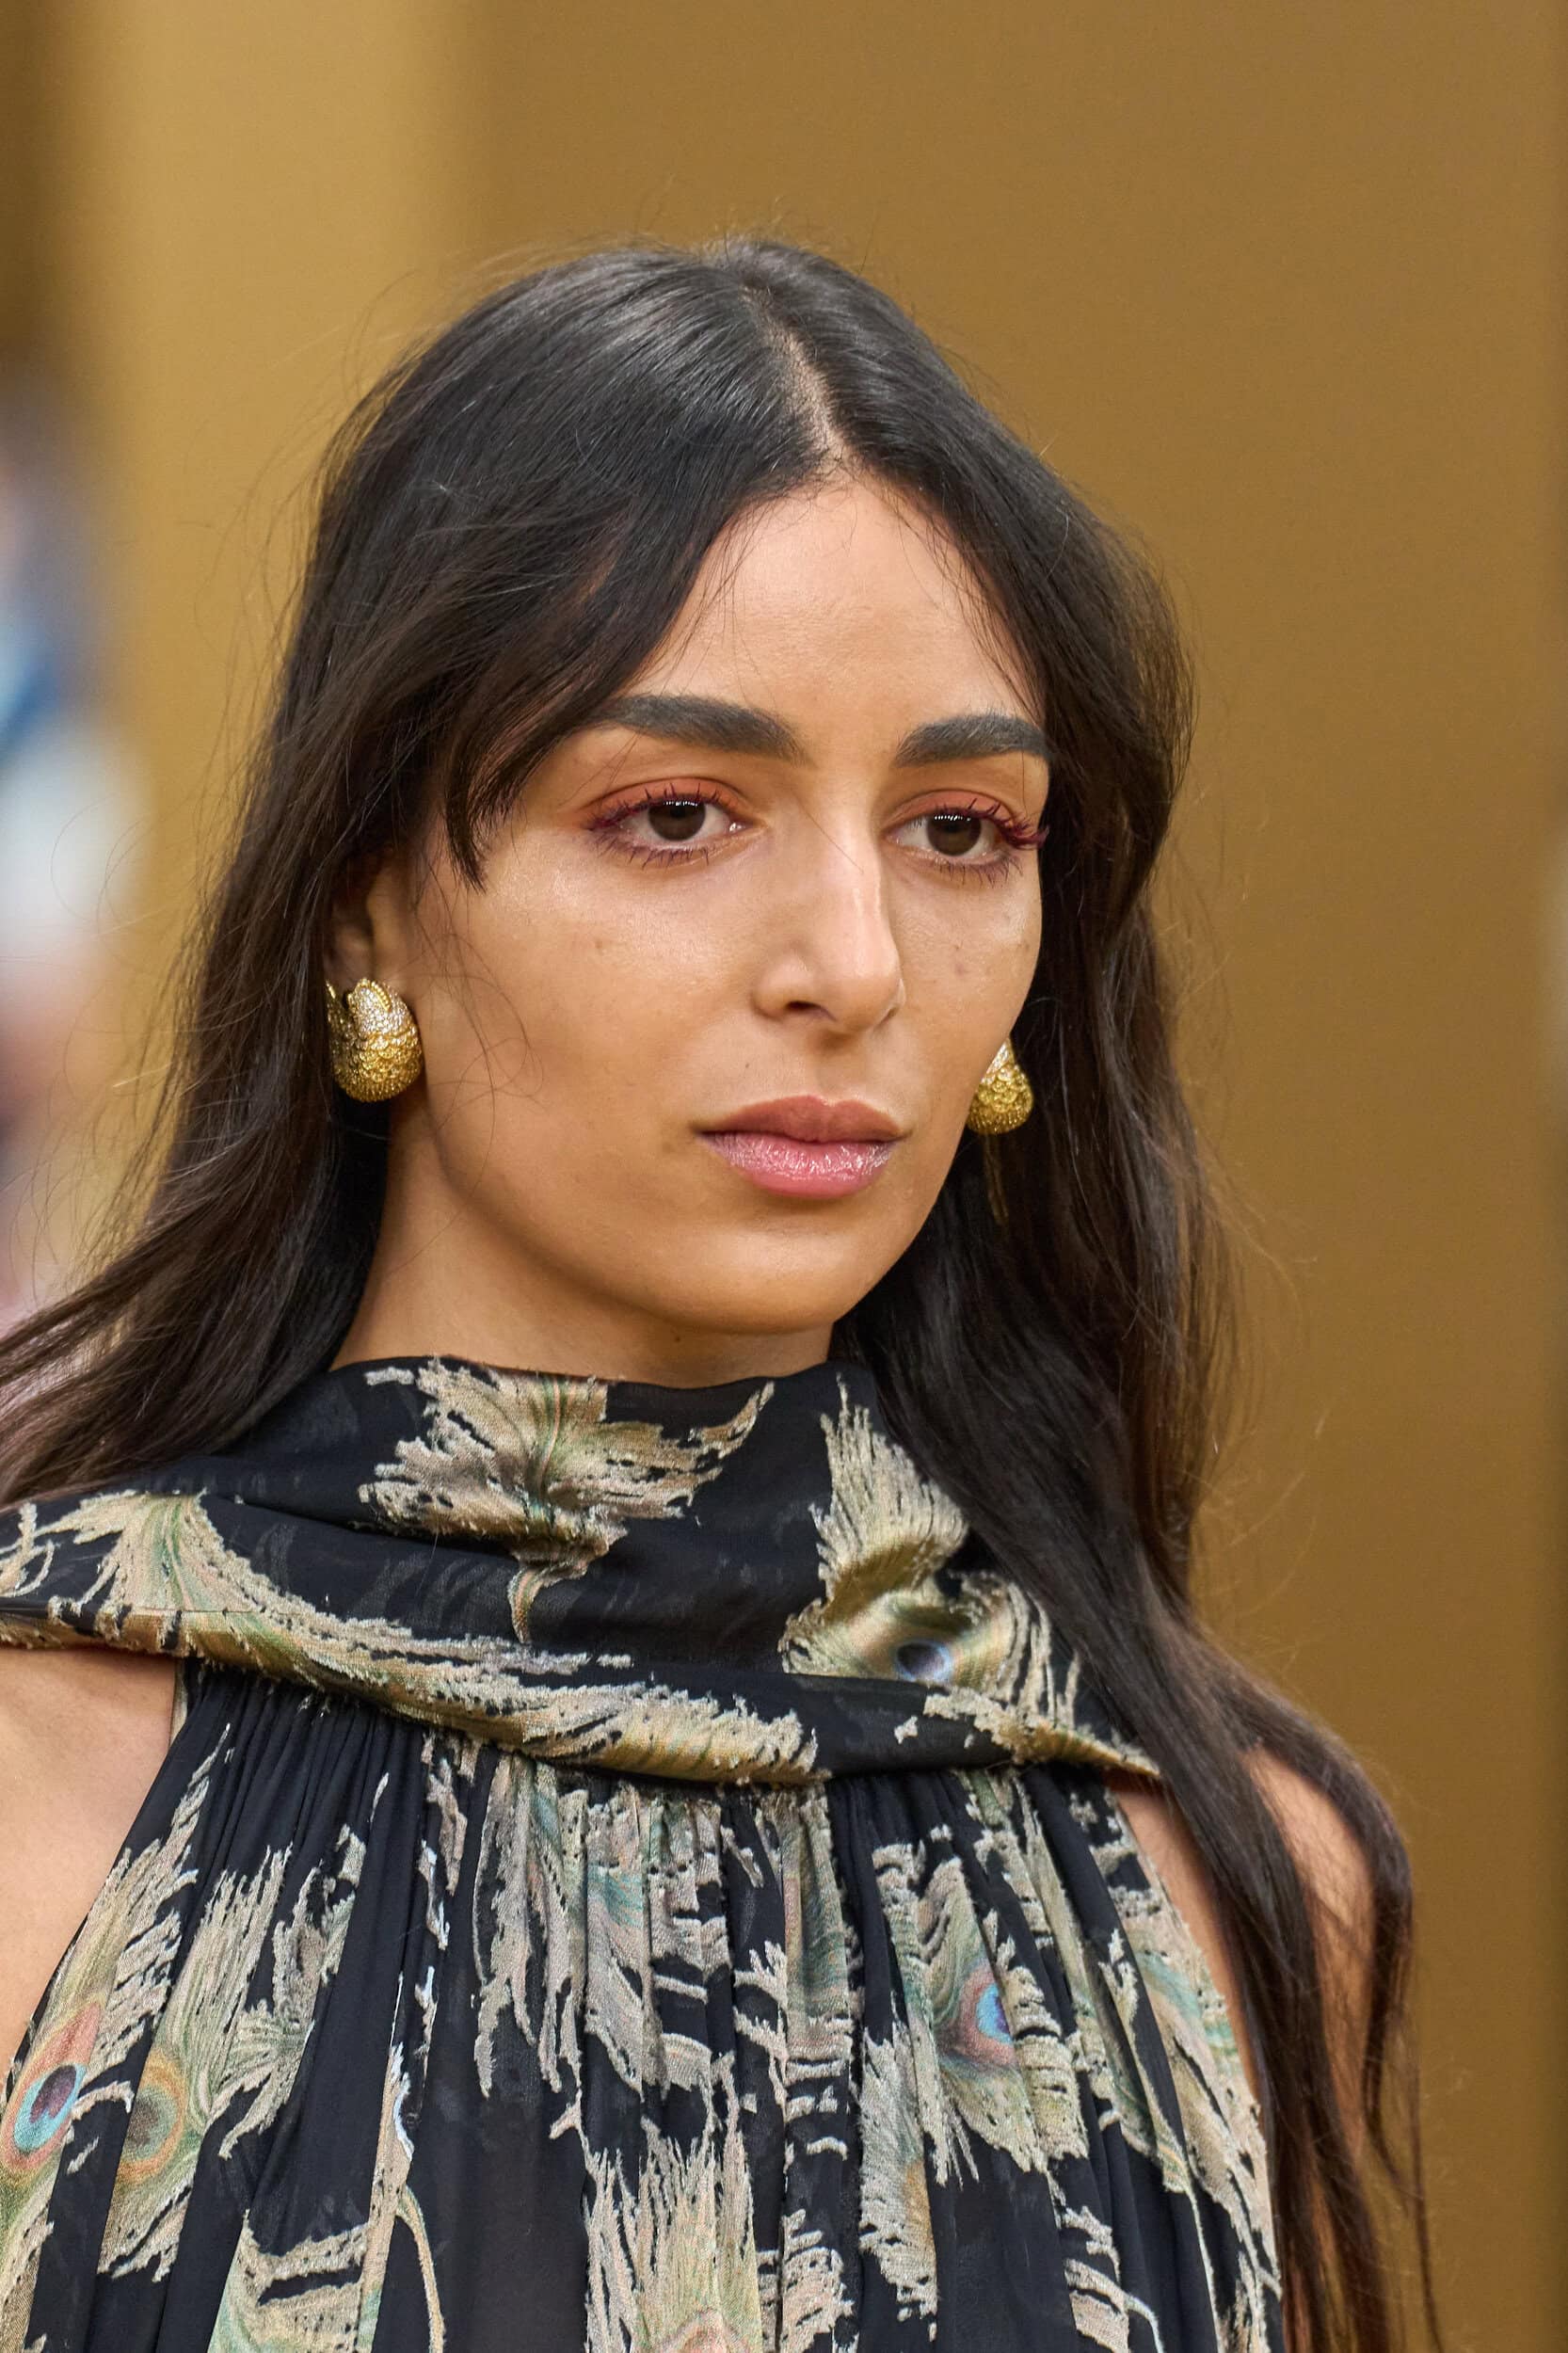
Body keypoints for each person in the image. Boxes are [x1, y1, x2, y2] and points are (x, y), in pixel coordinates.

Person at [0, 237, 1436, 2352]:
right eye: (675, 814)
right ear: (365, 903)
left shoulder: (1228, 1879)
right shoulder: (38, 1798)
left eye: (960, 830)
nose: (852, 961)